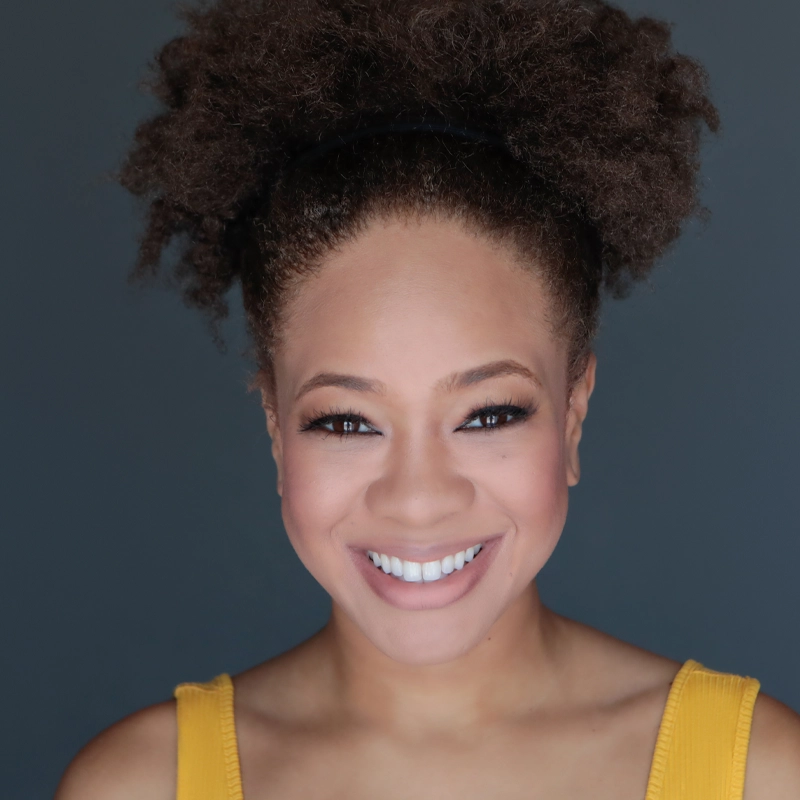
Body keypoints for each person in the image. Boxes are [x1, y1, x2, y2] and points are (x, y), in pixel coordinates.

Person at [56, 1, 800, 797]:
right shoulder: (141, 785)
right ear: (275, 426)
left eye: (488, 414)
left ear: (574, 409)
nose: (417, 500)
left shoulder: (760, 773)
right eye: (345, 421)